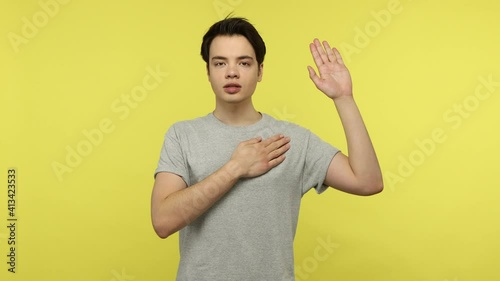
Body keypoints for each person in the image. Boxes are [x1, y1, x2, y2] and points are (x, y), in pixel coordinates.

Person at [150, 17, 383, 281]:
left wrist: (344, 99)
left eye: (244, 63)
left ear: (260, 71)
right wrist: (235, 168)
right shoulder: (182, 136)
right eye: (220, 63)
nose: (232, 72)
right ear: (208, 72)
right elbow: (163, 221)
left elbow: (368, 181)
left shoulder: (292, 139)